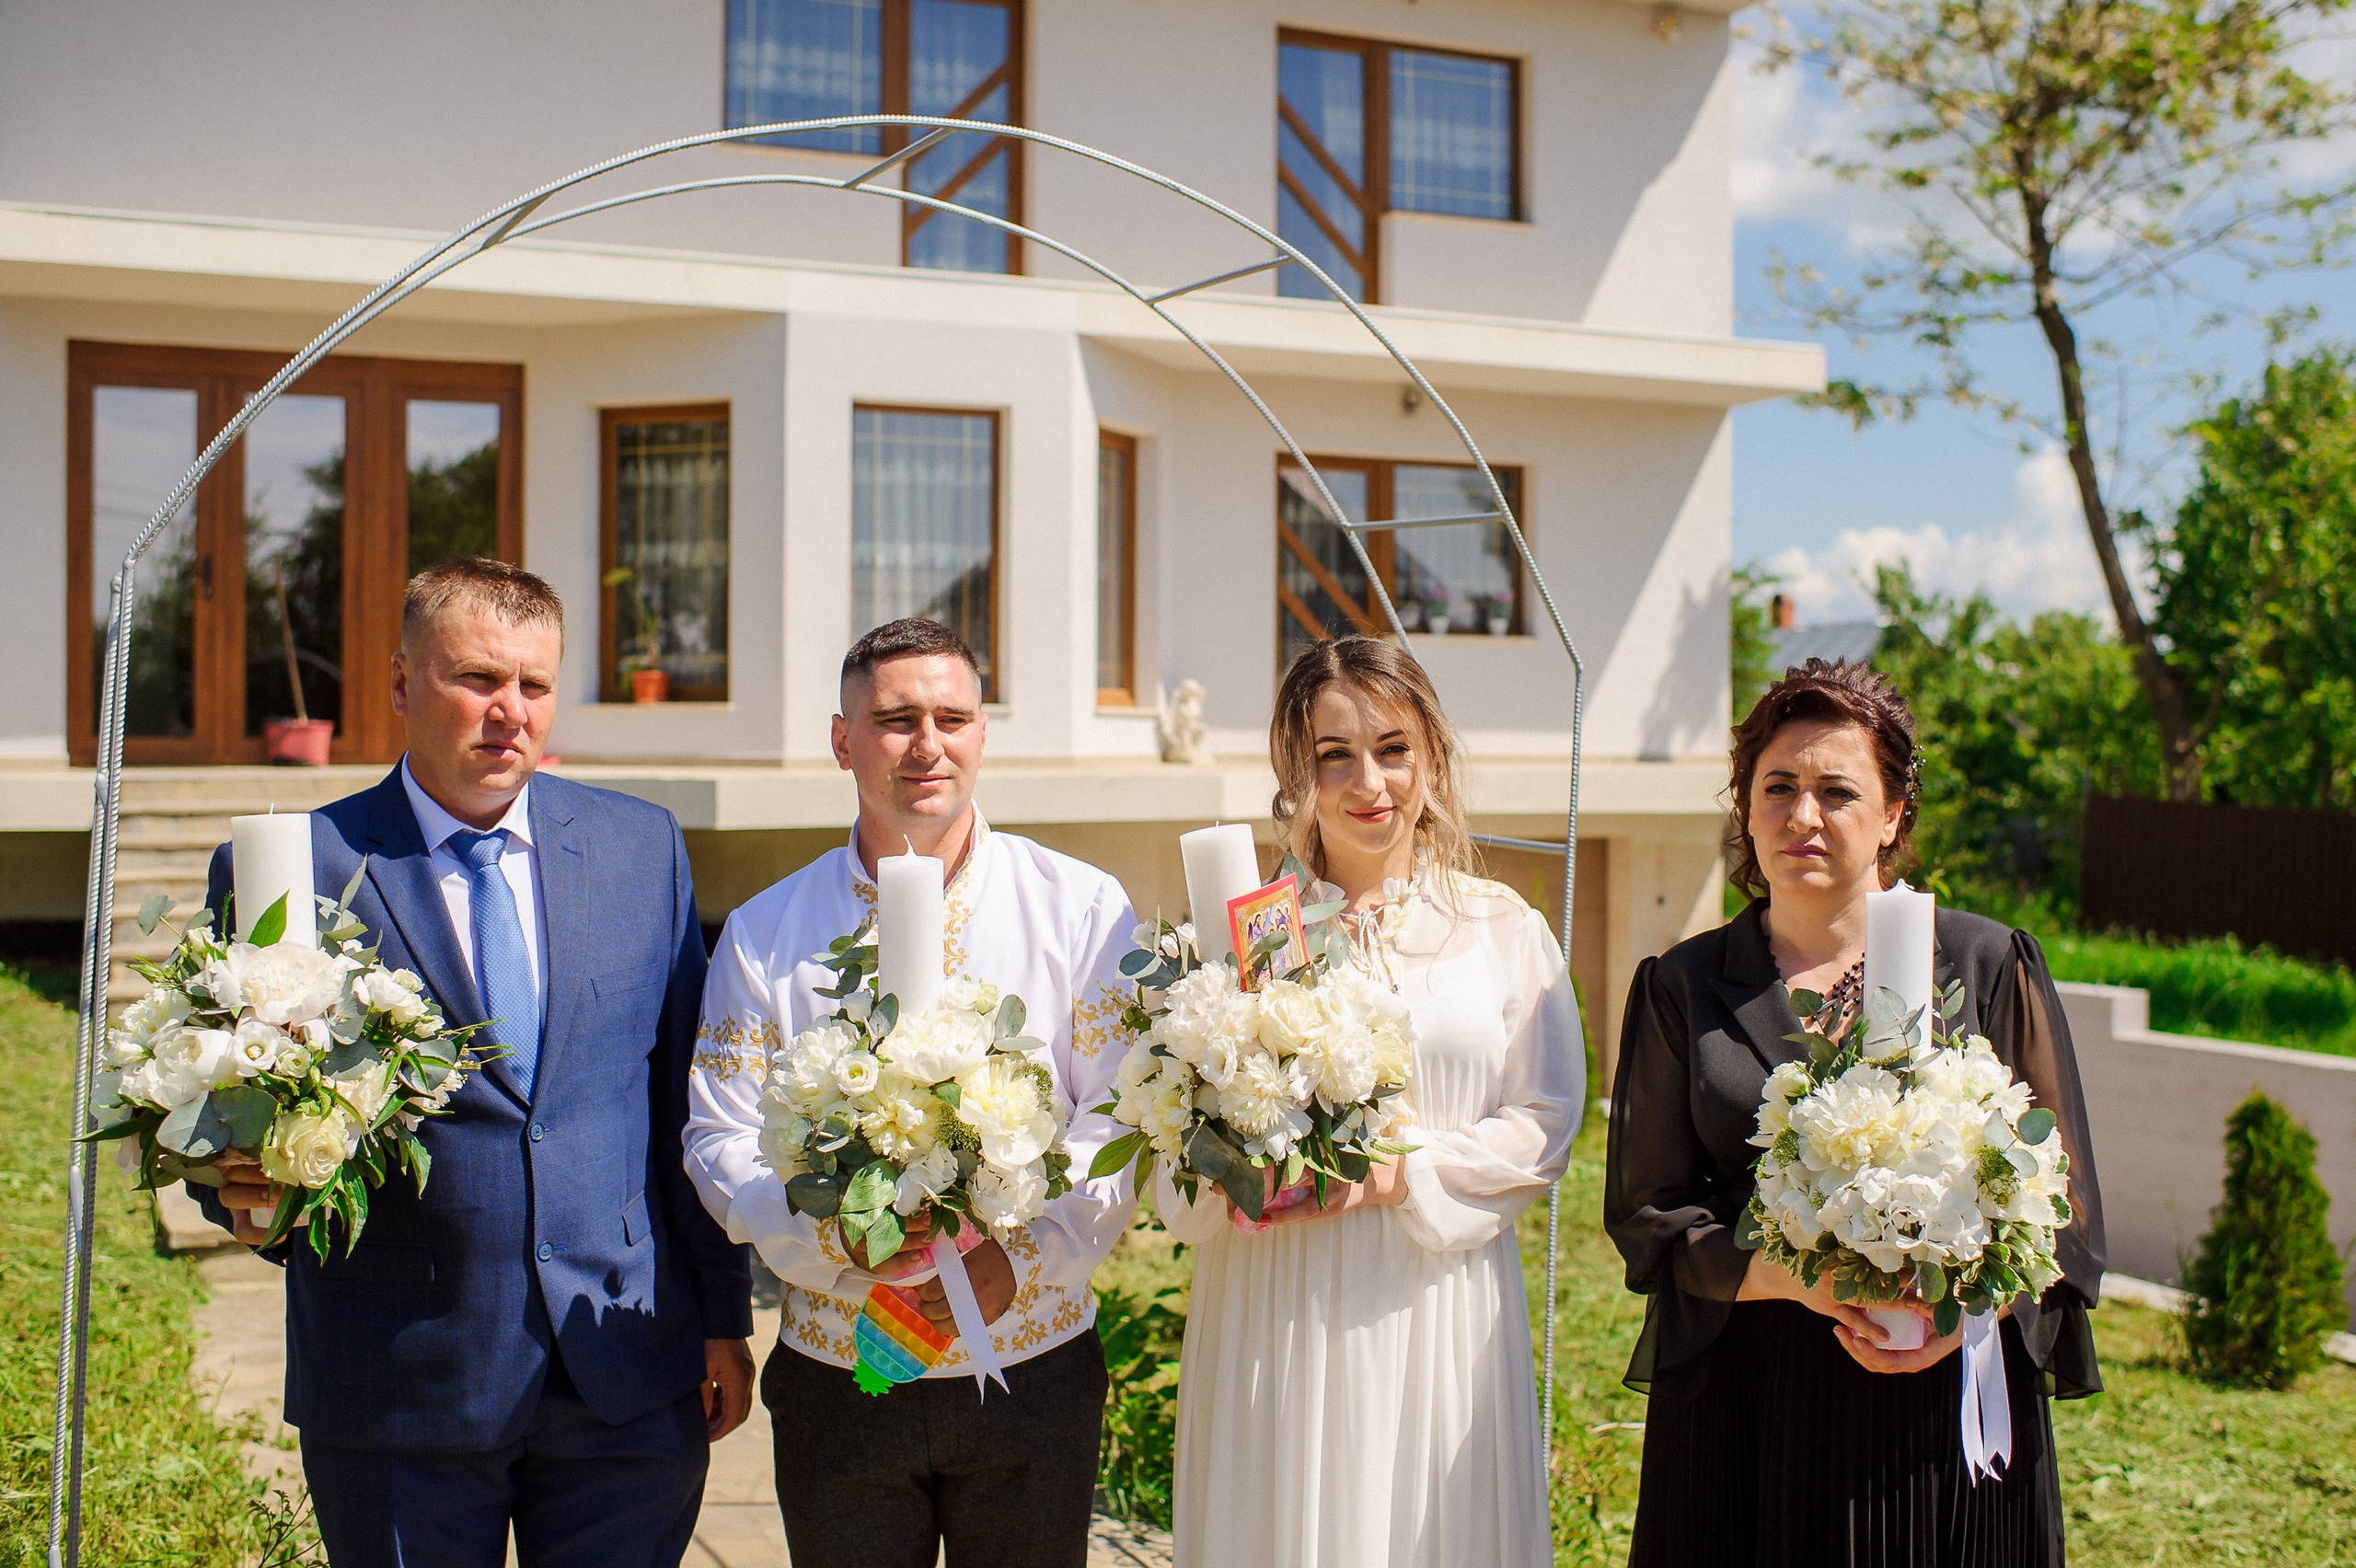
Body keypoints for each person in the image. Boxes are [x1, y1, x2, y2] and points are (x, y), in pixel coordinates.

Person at [195, 559, 754, 1566]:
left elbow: (685, 1102)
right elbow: (233, 1106)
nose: (509, 713)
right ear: (403, 684)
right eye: (478, 681)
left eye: (533, 687)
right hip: (402, 1382)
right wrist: (246, 1192)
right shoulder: (299, 870)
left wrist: (722, 1315)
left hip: (623, 1369)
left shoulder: (642, 847)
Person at [1604, 658, 2107, 1567]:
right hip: (1754, 1404)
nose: (1803, 816)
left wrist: (1961, 1317)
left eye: (1837, 791)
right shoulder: (1682, 988)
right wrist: (1795, 1277)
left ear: (1892, 816)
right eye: (1778, 788)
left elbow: (2065, 1210)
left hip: (1942, 1402)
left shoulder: (1987, 966)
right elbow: (1648, 1217)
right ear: (1745, 807)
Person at [683, 617, 1139, 1568]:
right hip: (845, 1366)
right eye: (894, 720)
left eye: (951, 717)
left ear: (980, 732)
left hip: (1032, 1355)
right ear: (843, 739)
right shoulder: (768, 932)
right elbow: (718, 1135)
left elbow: (1118, 1111)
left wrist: (1027, 1255)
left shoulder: (1081, 908)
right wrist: (823, 1231)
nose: (927, 744)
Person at [1156, 633, 1583, 1568]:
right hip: (1278, 1310)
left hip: (1441, 1309)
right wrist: (1229, 1164)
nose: (1369, 782)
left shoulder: (1503, 928)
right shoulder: (1236, 939)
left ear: (1430, 754)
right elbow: (1169, 1167)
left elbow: (1546, 1125)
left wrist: (1403, 1171)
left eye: (1392, 748)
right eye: (1334, 756)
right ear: (1294, 772)